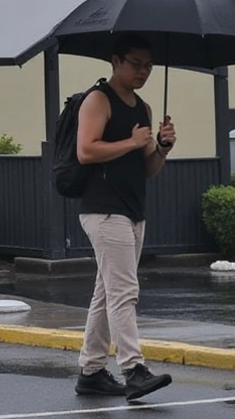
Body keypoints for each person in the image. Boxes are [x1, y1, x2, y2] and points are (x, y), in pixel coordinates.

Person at [71, 33, 175, 401]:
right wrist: (131, 142)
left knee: (106, 293)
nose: (143, 71)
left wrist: (160, 147)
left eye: (148, 65)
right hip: (102, 208)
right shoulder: (98, 100)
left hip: (132, 209)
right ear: (116, 61)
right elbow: (86, 150)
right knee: (124, 291)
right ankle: (133, 369)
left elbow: (147, 168)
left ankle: (92, 371)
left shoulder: (143, 108)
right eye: (136, 64)